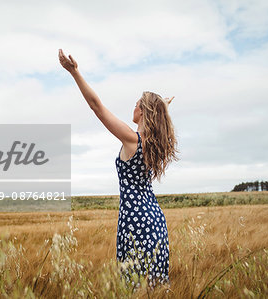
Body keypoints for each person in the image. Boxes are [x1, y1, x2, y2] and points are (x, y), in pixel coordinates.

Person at [58, 49, 179, 289]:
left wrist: (75, 73)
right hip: (154, 219)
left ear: (144, 111)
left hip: (135, 220)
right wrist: (162, 105)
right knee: (153, 285)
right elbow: (158, 118)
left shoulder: (133, 139)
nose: (132, 107)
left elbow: (97, 106)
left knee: (134, 285)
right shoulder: (155, 144)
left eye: (136, 104)